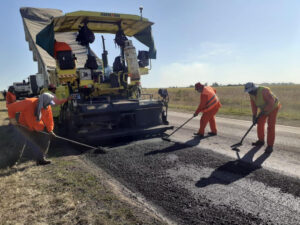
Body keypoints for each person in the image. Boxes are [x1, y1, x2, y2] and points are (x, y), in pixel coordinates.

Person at [8, 93, 57, 165]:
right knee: (20, 142)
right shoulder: (28, 103)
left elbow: (49, 119)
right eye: (47, 104)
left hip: (37, 126)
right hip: (24, 126)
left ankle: (40, 159)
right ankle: (12, 162)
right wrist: (12, 118)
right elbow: (11, 107)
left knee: (46, 137)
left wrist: (50, 130)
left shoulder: (47, 107)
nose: (48, 105)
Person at [244, 82, 281, 153]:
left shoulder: (264, 91)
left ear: (254, 89)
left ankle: (270, 146)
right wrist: (254, 116)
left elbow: (272, 102)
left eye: (250, 91)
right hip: (264, 108)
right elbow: (253, 105)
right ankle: (261, 141)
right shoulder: (251, 94)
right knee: (260, 122)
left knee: (271, 126)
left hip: (273, 108)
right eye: (248, 92)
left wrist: (264, 111)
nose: (249, 93)